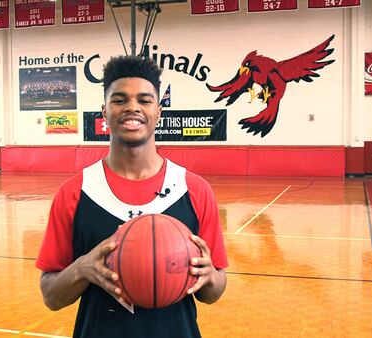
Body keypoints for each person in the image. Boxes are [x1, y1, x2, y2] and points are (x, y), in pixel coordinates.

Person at [36, 55, 228, 338]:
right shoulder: (75, 193)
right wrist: (82, 268)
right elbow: (51, 297)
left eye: (145, 100)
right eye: (120, 100)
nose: (132, 108)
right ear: (104, 111)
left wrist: (210, 274)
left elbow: (213, 293)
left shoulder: (194, 189)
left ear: (159, 111)